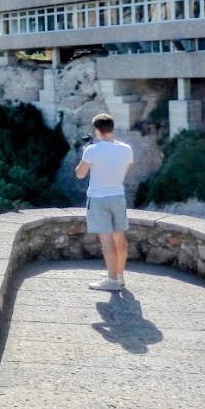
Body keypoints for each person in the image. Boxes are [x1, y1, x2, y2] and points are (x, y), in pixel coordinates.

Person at [75, 113, 134, 291]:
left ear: (96, 130)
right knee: (120, 238)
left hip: (98, 198)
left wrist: (85, 155)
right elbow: (122, 172)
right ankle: (119, 274)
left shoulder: (92, 150)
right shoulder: (126, 149)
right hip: (118, 196)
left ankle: (112, 280)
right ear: (111, 128)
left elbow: (80, 174)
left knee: (107, 240)